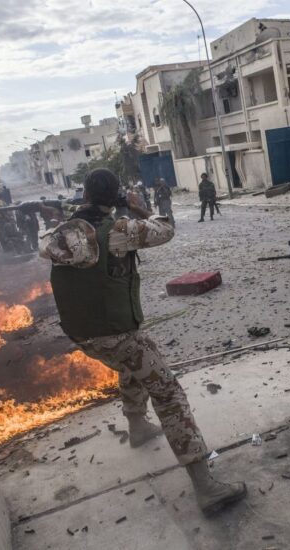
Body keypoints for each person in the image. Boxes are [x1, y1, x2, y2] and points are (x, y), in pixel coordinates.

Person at [39, 168, 247, 515]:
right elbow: (165, 230)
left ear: (86, 196)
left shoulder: (58, 235)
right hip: (116, 333)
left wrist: (60, 216)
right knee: (167, 392)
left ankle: (137, 425)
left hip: (82, 336)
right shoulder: (119, 231)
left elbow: (62, 237)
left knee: (133, 362)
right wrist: (137, 207)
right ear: (115, 195)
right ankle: (206, 487)